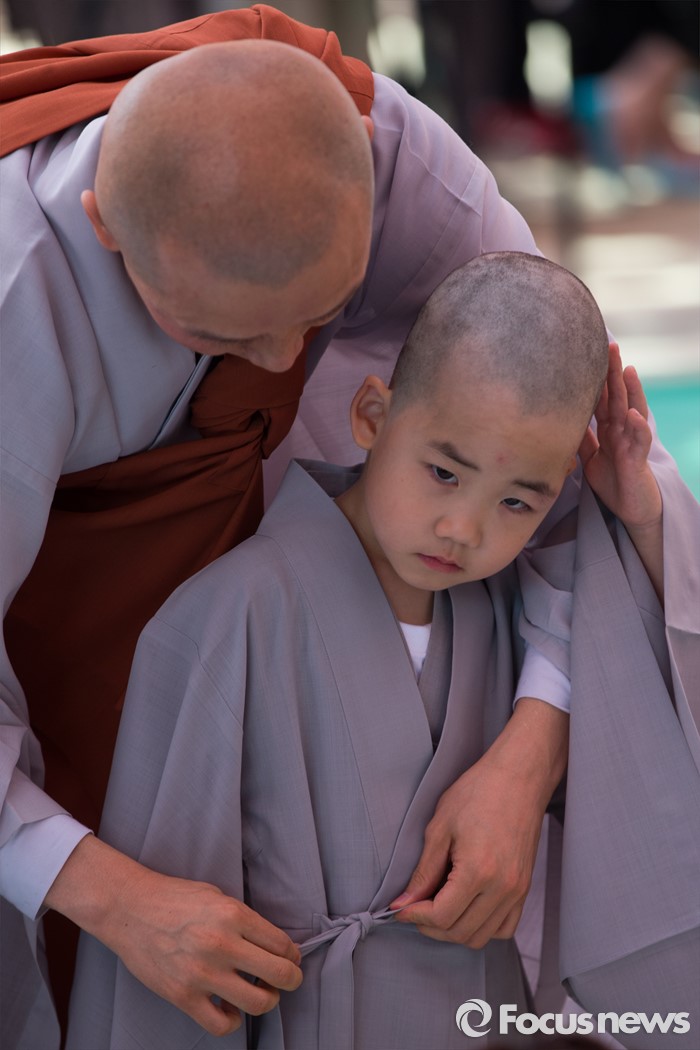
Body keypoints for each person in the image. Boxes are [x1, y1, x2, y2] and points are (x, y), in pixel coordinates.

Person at [0, 8, 697, 1047]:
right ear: (105, 227)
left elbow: (568, 442)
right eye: (223, 333)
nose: (283, 369)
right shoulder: (16, 297)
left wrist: (534, 744)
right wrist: (117, 899)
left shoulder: (393, 161)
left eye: (317, 314)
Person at [65, 253, 699, 1049]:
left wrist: (640, 518)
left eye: (516, 501)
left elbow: (641, 703)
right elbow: (166, 954)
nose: (463, 529)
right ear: (371, 414)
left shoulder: (518, 612)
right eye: (443, 472)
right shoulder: (226, 616)